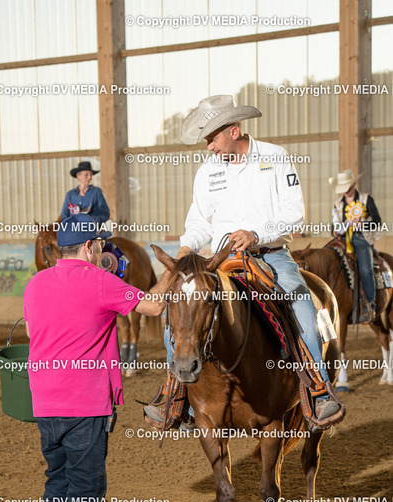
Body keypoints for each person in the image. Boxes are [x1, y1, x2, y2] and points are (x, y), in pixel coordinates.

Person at [145, 94, 341, 426]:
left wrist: (255, 234)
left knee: (303, 309)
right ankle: (176, 399)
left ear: (233, 131)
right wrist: (186, 248)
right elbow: (199, 222)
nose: (209, 146)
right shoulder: (207, 171)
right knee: (178, 316)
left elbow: (294, 214)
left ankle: (318, 391)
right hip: (218, 262)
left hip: (271, 257)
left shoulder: (275, 157)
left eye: (212, 138)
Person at [24, 213, 167, 502]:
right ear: (89, 246)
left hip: (45, 403)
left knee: (57, 485)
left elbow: (45, 327)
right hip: (85, 404)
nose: (103, 247)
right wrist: (173, 269)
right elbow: (154, 306)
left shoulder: (35, 283)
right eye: (99, 243)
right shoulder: (101, 282)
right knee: (86, 489)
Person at [329, 169, 382, 323]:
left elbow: (377, 221)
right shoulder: (338, 204)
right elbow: (334, 223)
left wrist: (362, 224)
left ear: (353, 184)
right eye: (343, 188)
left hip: (361, 238)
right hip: (343, 240)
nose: (345, 191)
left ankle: (370, 304)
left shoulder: (366, 199)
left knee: (366, 269)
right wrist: (334, 231)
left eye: (347, 188)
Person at [60, 161, 110, 225]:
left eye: (91, 174)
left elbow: (105, 214)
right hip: (73, 228)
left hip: (91, 228)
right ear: (78, 176)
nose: (90, 177)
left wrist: (90, 220)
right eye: (86, 174)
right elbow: (64, 215)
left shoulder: (96, 192)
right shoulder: (70, 195)